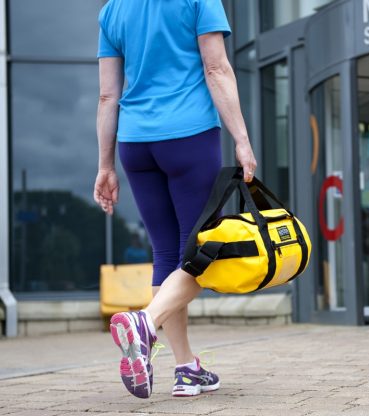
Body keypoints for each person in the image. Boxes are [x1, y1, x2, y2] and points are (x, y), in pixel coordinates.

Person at [93, 0, 256, 399]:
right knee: (204, 251)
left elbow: (107, 96)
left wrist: (105, 165)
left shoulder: (113, 10)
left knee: (168, 255)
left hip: (135, 143)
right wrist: (241, 139)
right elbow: (216, 69)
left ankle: (186, 369)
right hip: (189, 135)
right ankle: (145, 325)